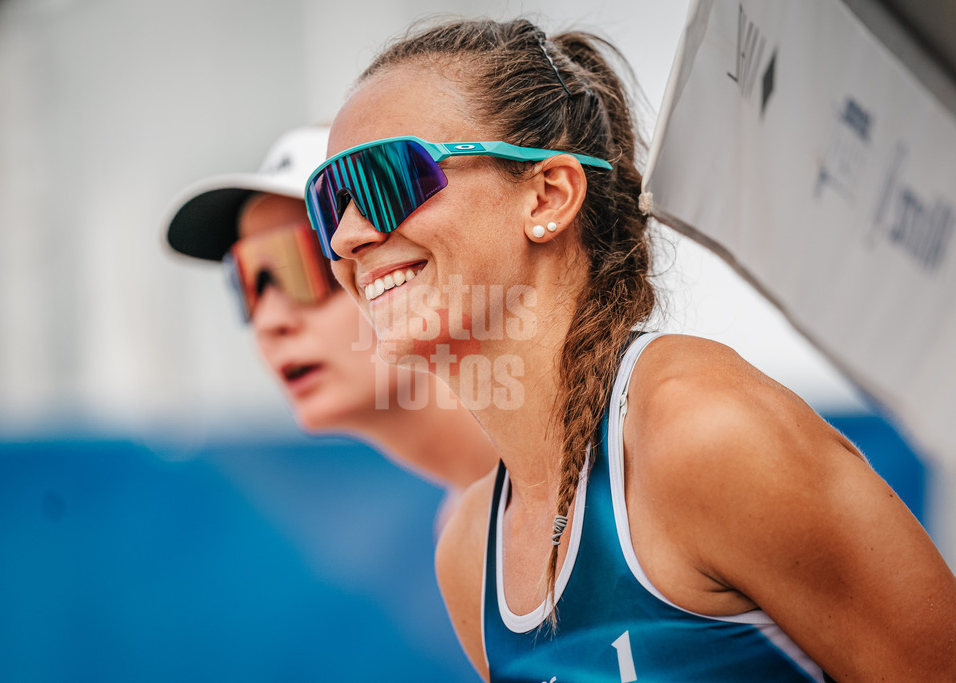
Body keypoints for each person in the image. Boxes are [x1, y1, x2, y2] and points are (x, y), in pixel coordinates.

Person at [305, 18, 956, 682]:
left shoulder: (699, 433)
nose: (348, 236)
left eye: (386, 178)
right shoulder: (471, 551)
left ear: (548, 195)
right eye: (330, 201)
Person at [163, 125, 496, 519]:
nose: (269, 321)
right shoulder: (467, 526)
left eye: (309, 262)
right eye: (249, 279)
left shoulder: (579, 474)